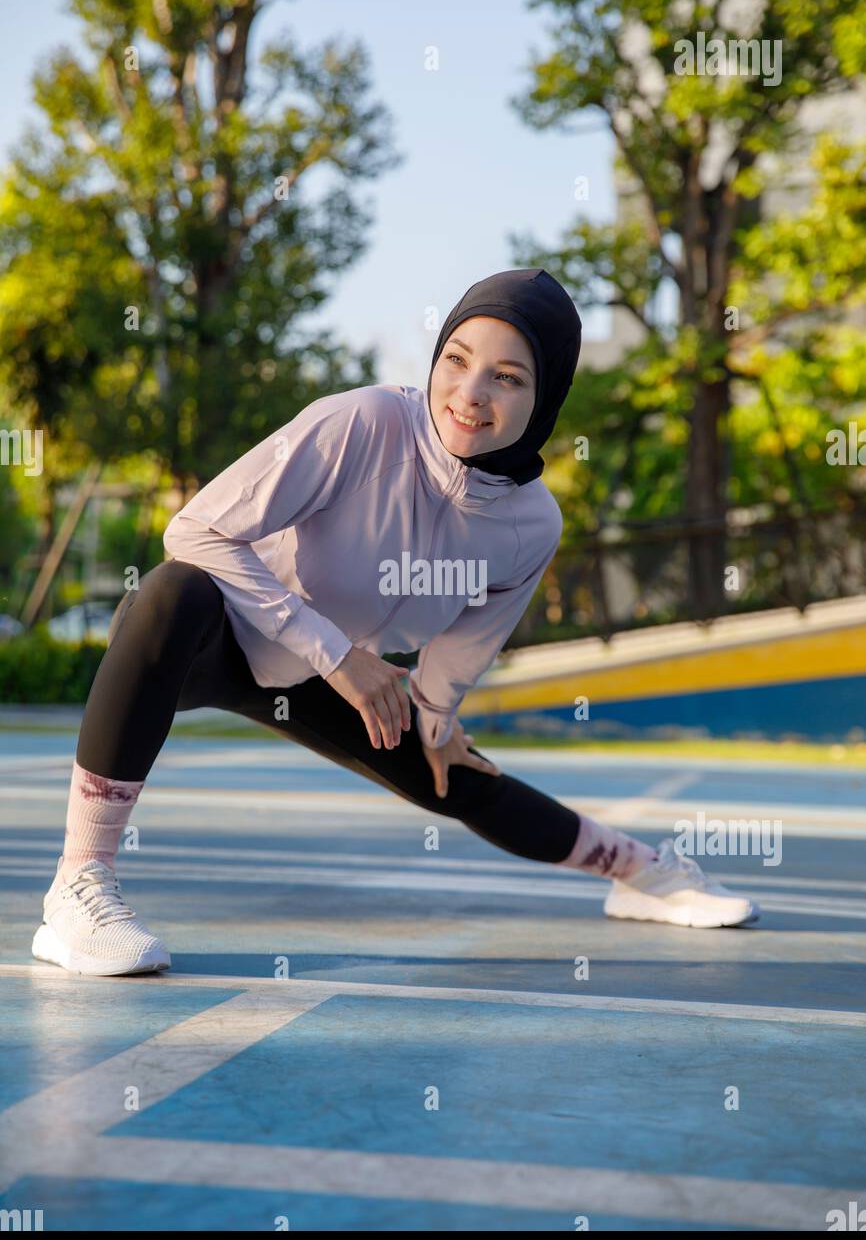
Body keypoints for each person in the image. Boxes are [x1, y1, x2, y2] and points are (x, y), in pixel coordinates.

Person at [31, 267, 759, 976]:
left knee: (455, 776)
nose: (470, 395)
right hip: (217, 636)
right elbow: (195, 531)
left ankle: (646, 874)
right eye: (457, 361)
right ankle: (77, 887)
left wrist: (437, 723)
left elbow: (463, 649)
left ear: (546, 398)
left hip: (332, 675)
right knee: (170, 593)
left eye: (507, 377)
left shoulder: (532, 523)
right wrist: (337, 655)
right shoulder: (365, 423)